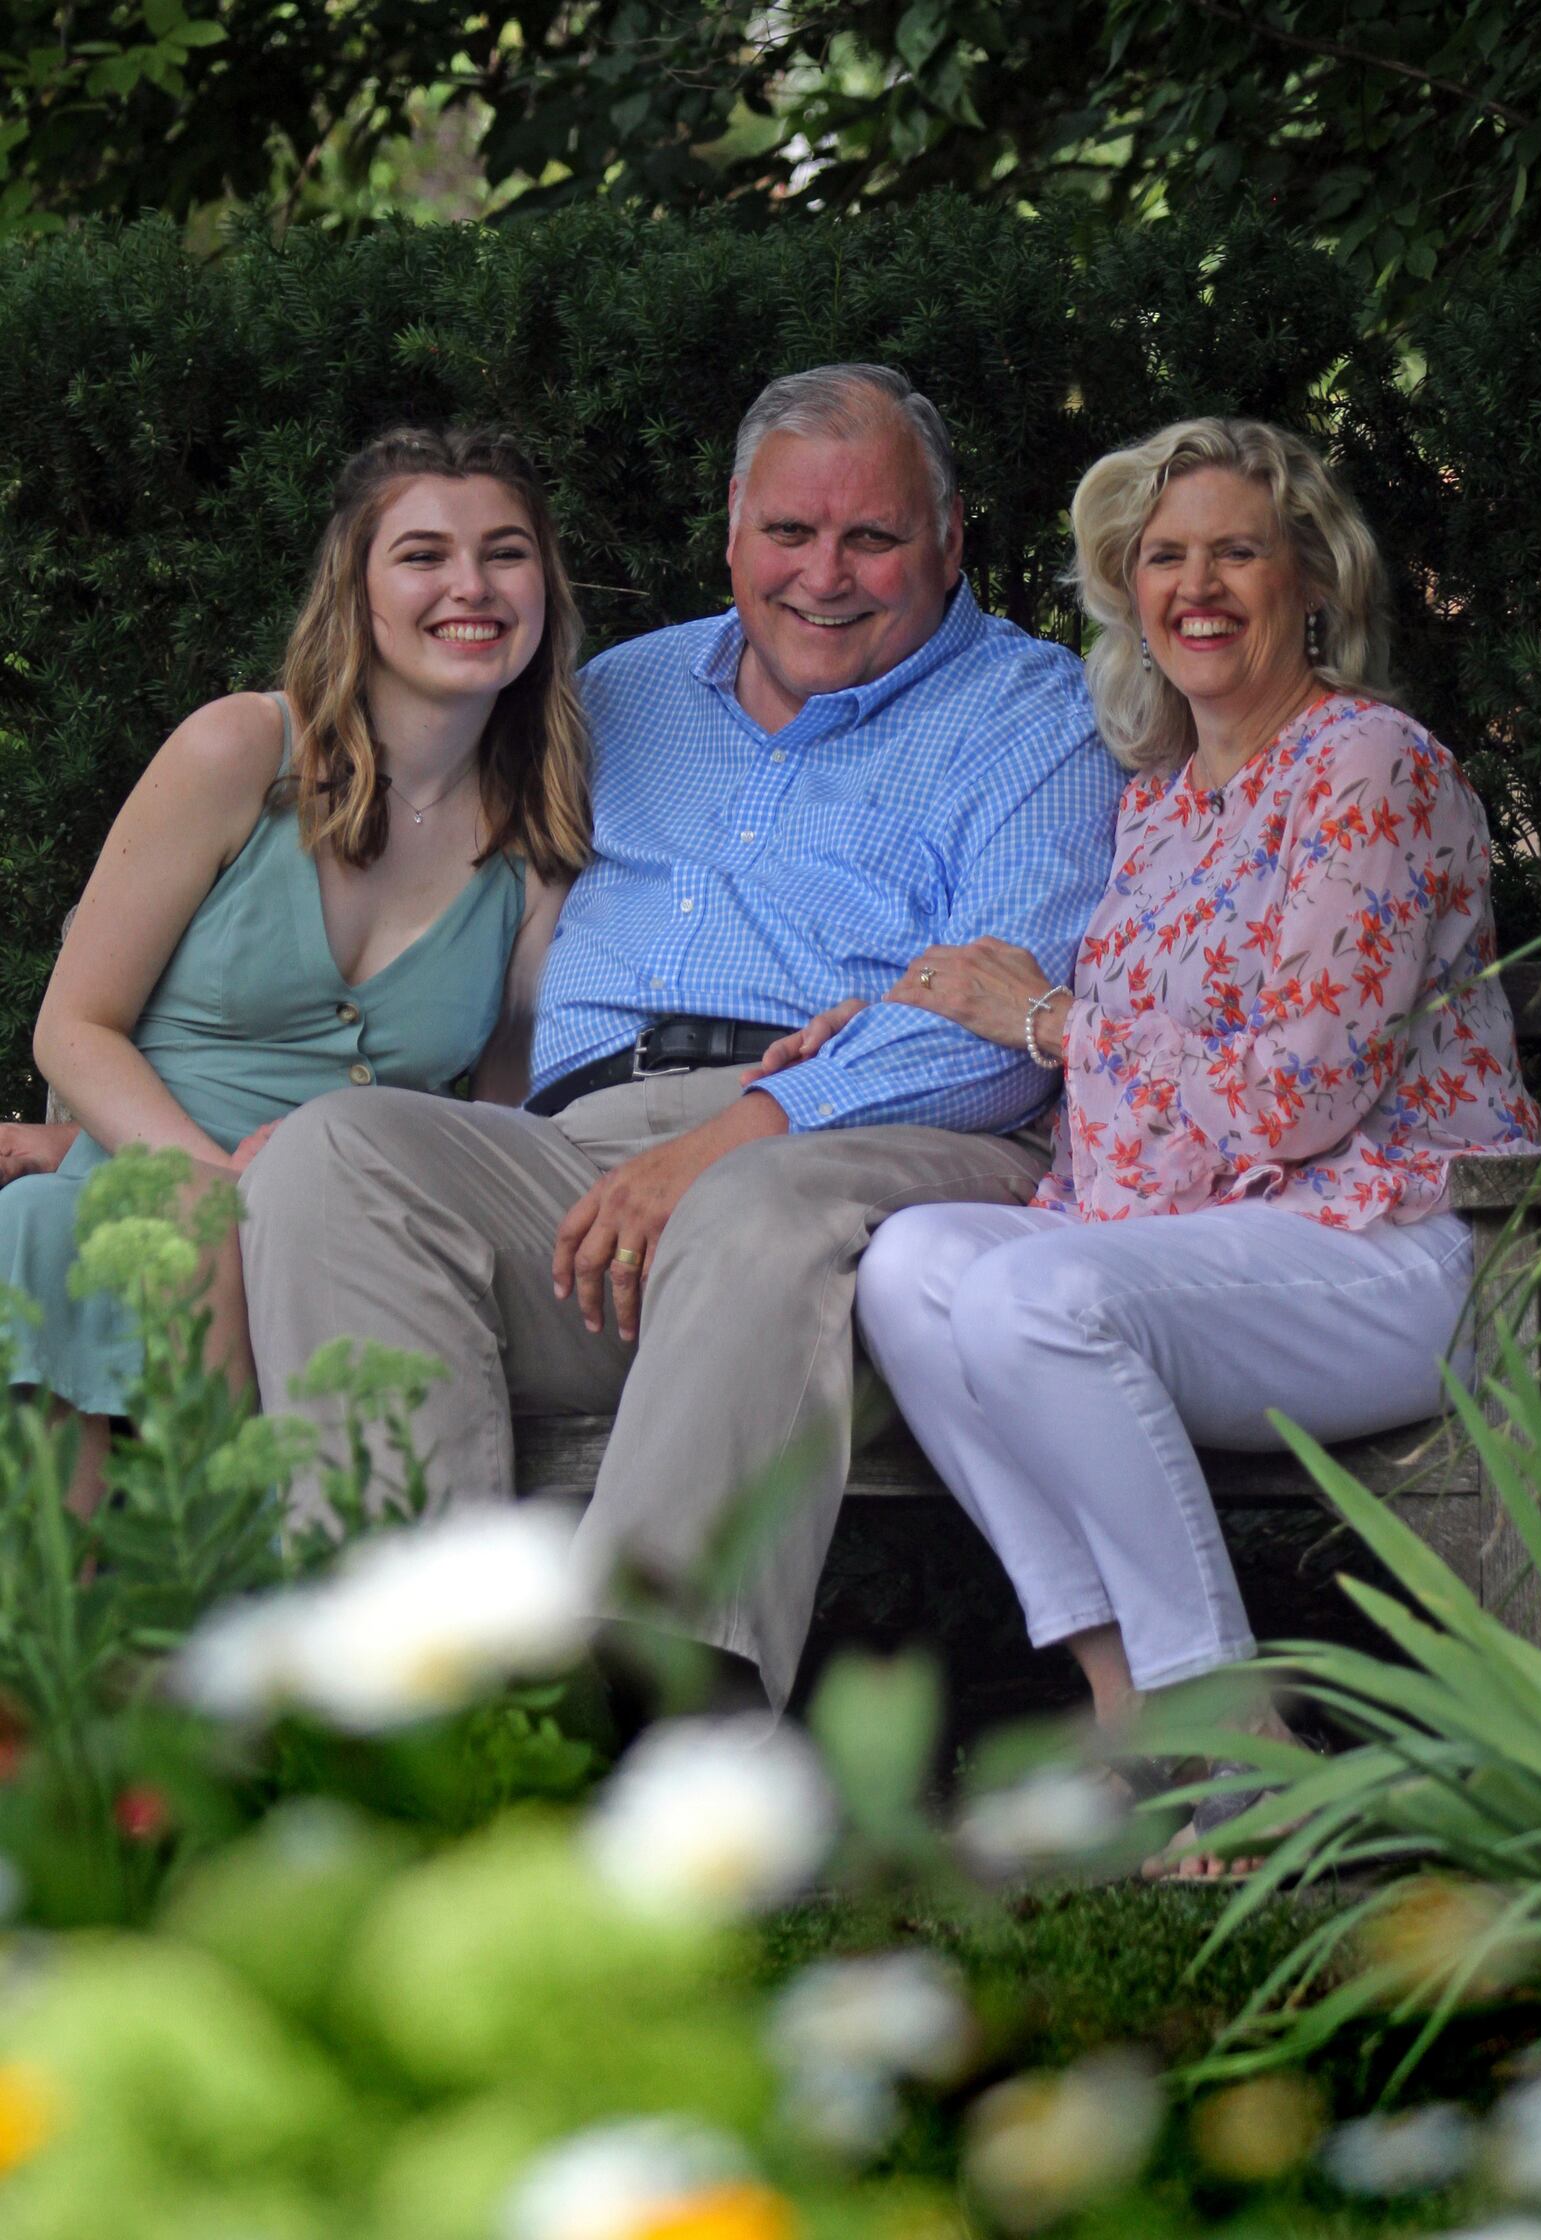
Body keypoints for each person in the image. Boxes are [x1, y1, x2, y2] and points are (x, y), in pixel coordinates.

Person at [239, 363, 1126, 1704]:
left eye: (872, 537)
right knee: (335, 1158)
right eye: (789, 533)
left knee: (758, 1204)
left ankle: (654, 1719)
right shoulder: (624, 694)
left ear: (948, 540)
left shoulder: (1034, 717)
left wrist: (738, 1131)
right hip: (591, 1161)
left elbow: (995, 1034)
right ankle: (416, 1700)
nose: (824, 574)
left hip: (881, 1152)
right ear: (731, 530)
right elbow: (418, 910)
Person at [837, 416, 1541, 1865]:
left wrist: (1050, 1025)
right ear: (1127, 594)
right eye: (1164, 558)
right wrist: (860, 1036)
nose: (1197, 586)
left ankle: (1243, 1742)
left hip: (1400, 1249)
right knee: (911, 1266)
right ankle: (1124, 1706)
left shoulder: (1370, 769)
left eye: (1237, 551)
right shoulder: (1159, 807)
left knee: (1040, 1294)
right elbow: (1130, 1082)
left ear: (1314, 582)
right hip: (1200, 1249)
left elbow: (1300, 1099)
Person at [0, 425, 588, 1510]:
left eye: (505, 552)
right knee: (111, 1241)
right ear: (356, 590)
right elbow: (73, 1025)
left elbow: (501, 1114)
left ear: (543, 584)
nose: (472, 583)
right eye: (422, 554)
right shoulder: (239, 752)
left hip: (341, 1250)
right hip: (158, 1188)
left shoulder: (536, 844)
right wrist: (219, 1186)